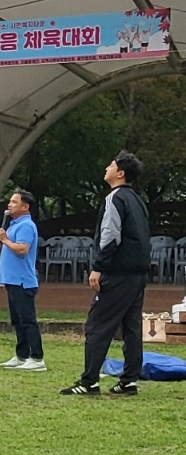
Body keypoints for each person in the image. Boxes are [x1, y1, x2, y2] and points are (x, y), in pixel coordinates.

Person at [62, 152, 151, 396]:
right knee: (131, 327)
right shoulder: (138, 201)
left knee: (97, 326)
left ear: (120, 173)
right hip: (138, 273)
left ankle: (89, 381)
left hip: (118, 272)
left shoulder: (115, 198)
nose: (106, 168)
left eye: (111, 165)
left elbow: (110, 235)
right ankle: (129, 381)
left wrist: (99, 267)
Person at [0, 190, 45, 372]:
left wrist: (5, 240)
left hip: (23, 281)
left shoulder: (26, 226)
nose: (9, 205)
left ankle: (37, 357)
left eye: (14, 202)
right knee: (18, 320)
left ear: (25, 206)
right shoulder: (14, 225)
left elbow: (22, 249)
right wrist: (0, 247)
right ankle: (22, 355)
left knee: (27, 320)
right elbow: (13, 250)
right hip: (12, 280)